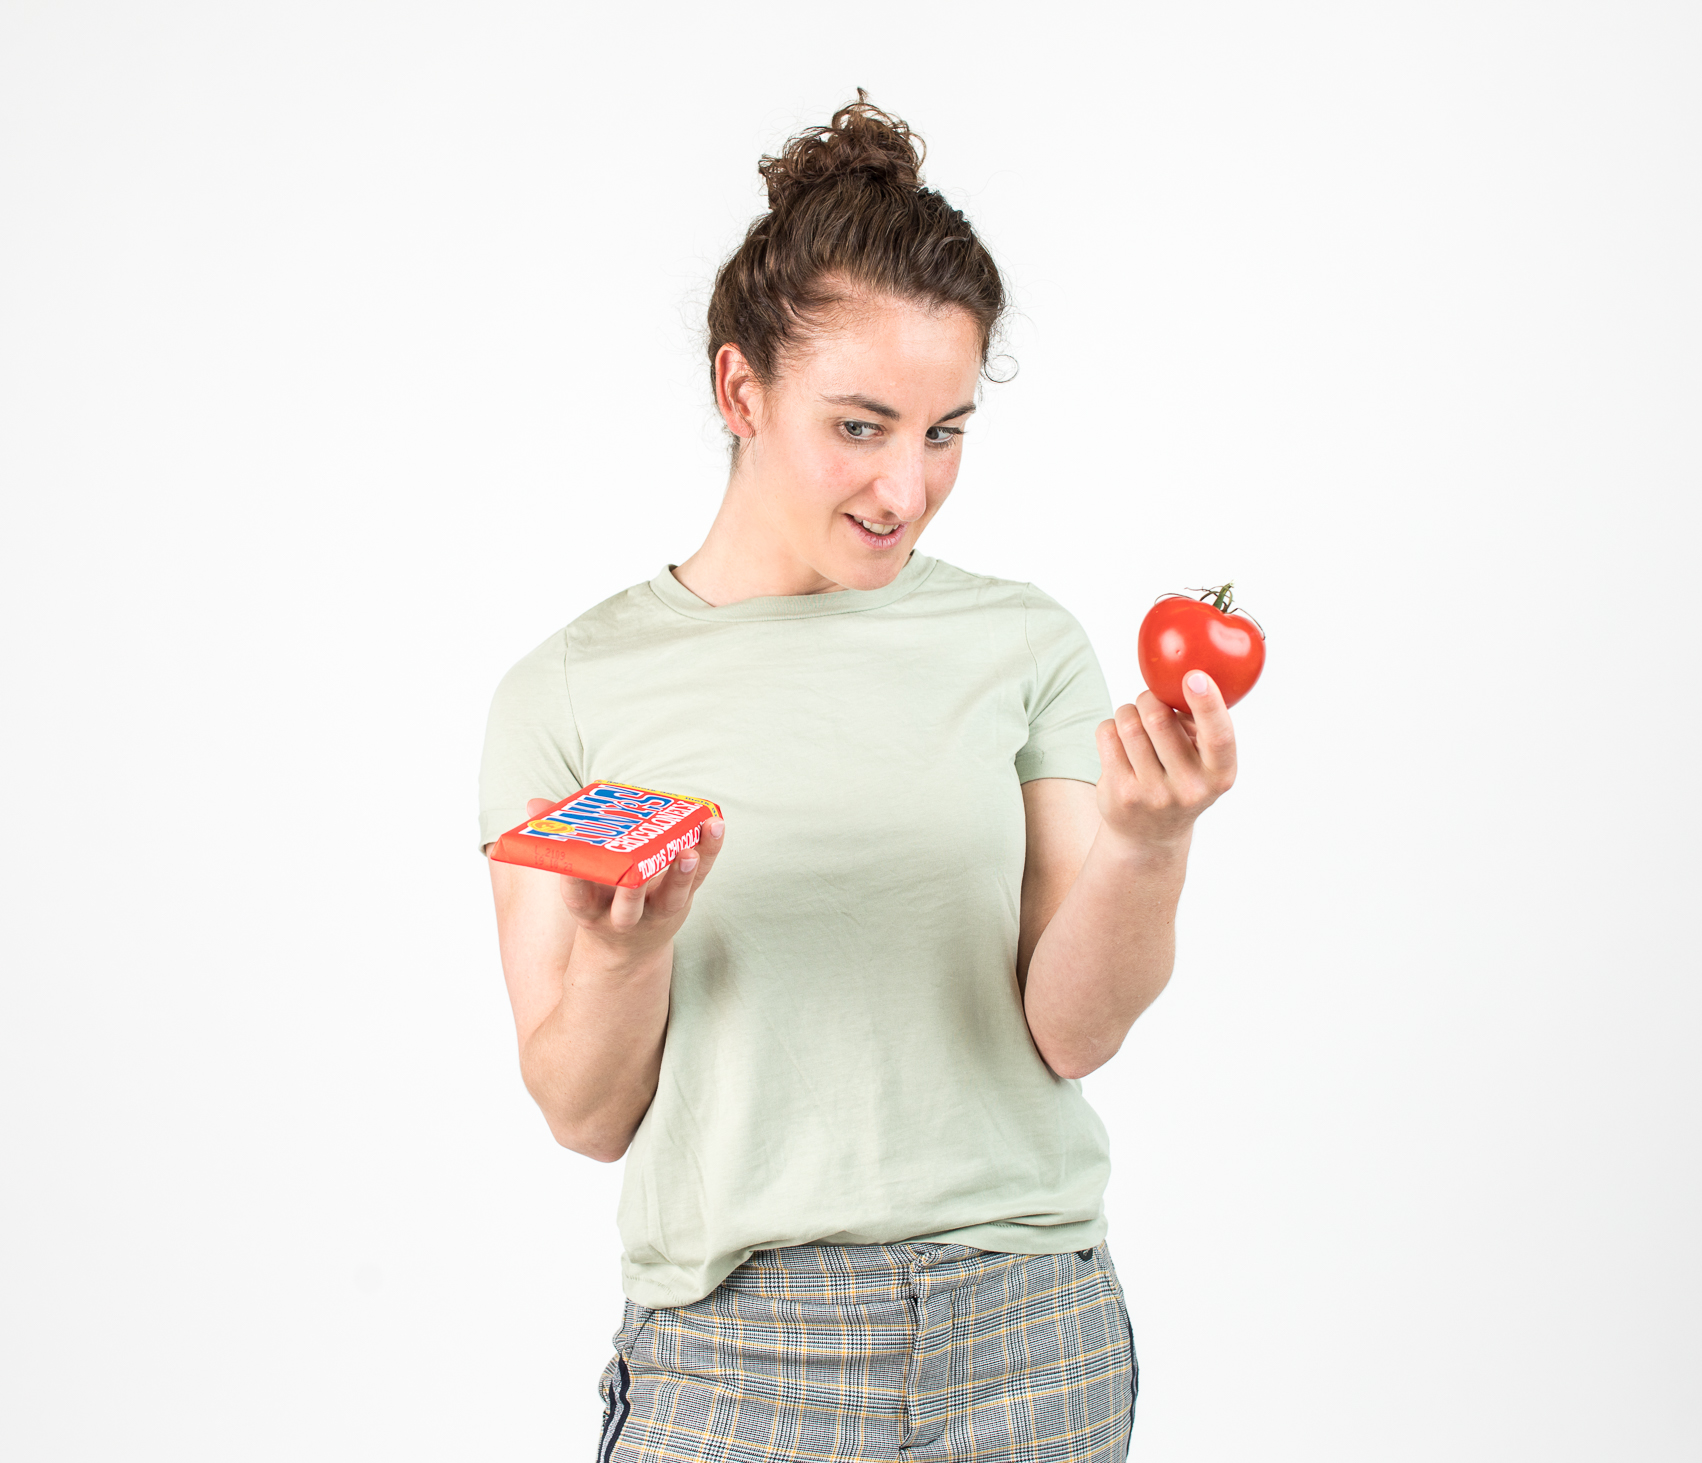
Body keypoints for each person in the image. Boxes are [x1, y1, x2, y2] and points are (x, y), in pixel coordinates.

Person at [478, 93, 1236, 1463]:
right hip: (735, 1360)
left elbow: (1070, 1033)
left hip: (1029, 1340)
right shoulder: (571, 693)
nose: (907, 487)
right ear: (739, 389)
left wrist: (1145, 847)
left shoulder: (1021, 644)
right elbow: (584, 1116)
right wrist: (631, 954)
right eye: (862, 426)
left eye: (945, 431)